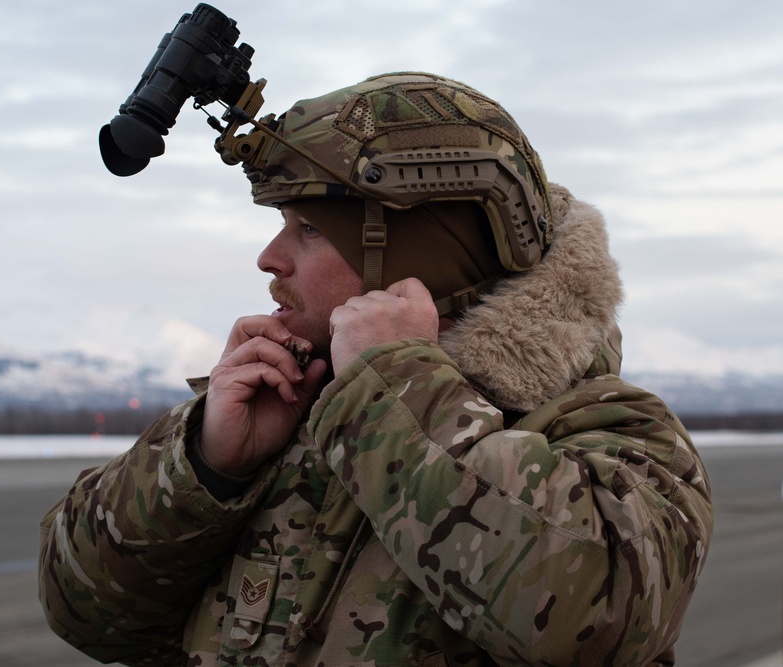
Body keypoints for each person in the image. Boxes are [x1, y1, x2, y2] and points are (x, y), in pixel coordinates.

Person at [39, 72, 713, 666]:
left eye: (307, 229)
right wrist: (208, 465)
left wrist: (389, 390)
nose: (270, 259)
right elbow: (85, 616)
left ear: (419, 252)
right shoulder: (291, 416)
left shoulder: (616, 437)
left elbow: (590, 622)